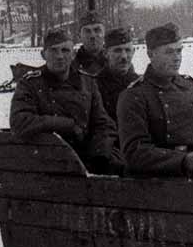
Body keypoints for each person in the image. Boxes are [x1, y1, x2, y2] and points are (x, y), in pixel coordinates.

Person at [117, 23, 193, 178]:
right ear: (151, 54)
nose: (177, 57)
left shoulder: (190, 86)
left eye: (179, 51)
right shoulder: (134, 95)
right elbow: (135, 152)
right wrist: (182, 160)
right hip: (151, 181)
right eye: (169, 52)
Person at [9, 28, 123, 175]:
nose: (60, 56)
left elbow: (104, 123)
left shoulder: (87, 82)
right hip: (47, 161)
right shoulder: (30, 84)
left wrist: (99, 153)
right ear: (43, 55)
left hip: (87, 157)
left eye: (65, 50)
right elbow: (20, 122)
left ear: (73, 54)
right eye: (53, 51)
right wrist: (66, 124)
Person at [97, 27, 139, 122]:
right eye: (117, 51)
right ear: (105, 53)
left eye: (127, 50)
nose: (124, 56)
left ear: (133, 52)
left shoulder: (141, 85)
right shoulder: (95, 87)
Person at [74, 10, 107, 74]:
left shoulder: (115, 63)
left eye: (97, 30)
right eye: (87, 31)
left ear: (104, 33)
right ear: (79, 35)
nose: (92, 35)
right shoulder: (71, 67)